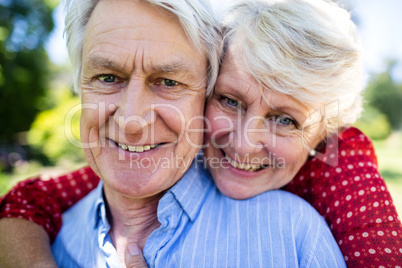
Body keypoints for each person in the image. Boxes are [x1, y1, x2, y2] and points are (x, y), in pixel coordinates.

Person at [1, 0, 401, 266]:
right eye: (230, 101)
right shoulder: (62, 225)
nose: (244, 142)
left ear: (322, 139)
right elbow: (37, 196)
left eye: (286, 120)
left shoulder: (313, 216)